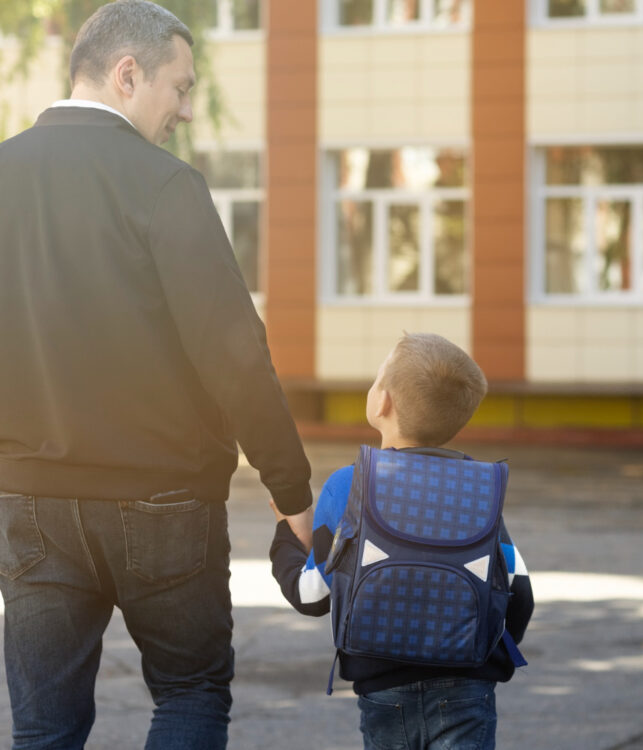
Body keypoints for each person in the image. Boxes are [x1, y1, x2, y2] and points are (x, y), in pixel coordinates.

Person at [0, 2, 314, 748]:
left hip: (32, 503)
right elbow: (234, 353)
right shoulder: (165, 185)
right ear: (126, 72)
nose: (184, 109)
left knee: (43, 728)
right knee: (191, 694)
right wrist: (290, 491)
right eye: (179, 87)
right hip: (164, 501)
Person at [270, 332, 534, 750]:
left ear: (383, 402)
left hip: (384, 691)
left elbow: (312, 594)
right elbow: (520, 594)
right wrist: (478, 656)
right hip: (467, 688)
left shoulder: (349, 485)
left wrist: (286, 536)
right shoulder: (478, 490)